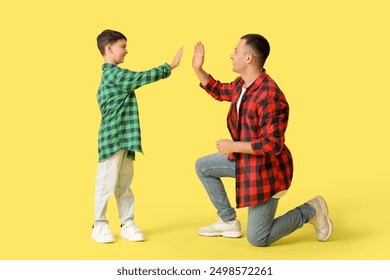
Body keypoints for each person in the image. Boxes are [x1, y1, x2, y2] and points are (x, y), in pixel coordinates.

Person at [191, 34, 332, 246]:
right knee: (203, 166)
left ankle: (312, 209)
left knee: (258, 239)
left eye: (236, 51)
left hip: (267, 171)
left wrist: (233, 146)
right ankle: (228, 221)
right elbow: (219, 90)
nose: (231, 55)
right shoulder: (243, 84)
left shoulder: (269, 95)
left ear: (248, 58)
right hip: (247, 162)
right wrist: (198, 69)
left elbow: (272, 145)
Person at [92, 29, 183, 243]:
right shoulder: (113, 74)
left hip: (125, 139)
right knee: (105, 183)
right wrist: (169, 66)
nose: (126, 51)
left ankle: (127, 223)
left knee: (124, 183)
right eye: (122, 46)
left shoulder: (115, 76)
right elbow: (140, 78)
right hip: (113, 139)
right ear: (109, 48)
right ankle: (99, 224)